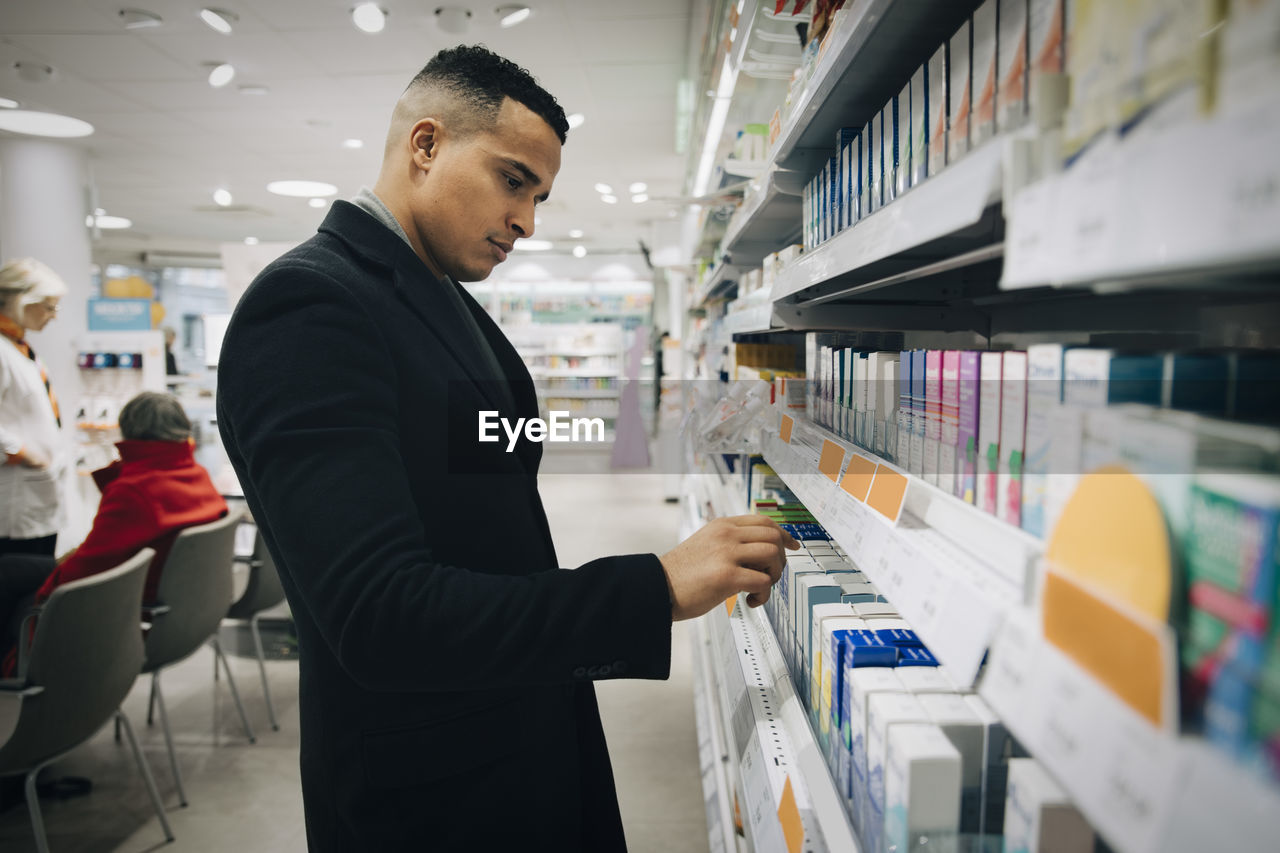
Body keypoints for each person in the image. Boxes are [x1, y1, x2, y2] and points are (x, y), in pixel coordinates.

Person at [216, 45, 797, 851]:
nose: (527, 220)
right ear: (426, 145)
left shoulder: (438, 296)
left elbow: (471, 452)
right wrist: (653, 586)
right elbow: (380, 615)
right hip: (431, 797)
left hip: (515, 733)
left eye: (540, 195)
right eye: (513, 180)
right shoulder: (311, 304)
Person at [0, 391, 227, 676]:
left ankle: (10, 677)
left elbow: (78, 575)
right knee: (11, 569)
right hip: (176, 610)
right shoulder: (196, 474)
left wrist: (45, 595)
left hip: (125, 610)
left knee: (18, 586)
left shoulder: (135, 489)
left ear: (131, 433)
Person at [0, 258, 68, 560]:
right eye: (49, 307)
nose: (53, 317)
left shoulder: (20, 348)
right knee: (19, 588)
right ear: (20, 302)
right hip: (16, 499)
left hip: (38, 493)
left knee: (36, 580)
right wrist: (23, 452)